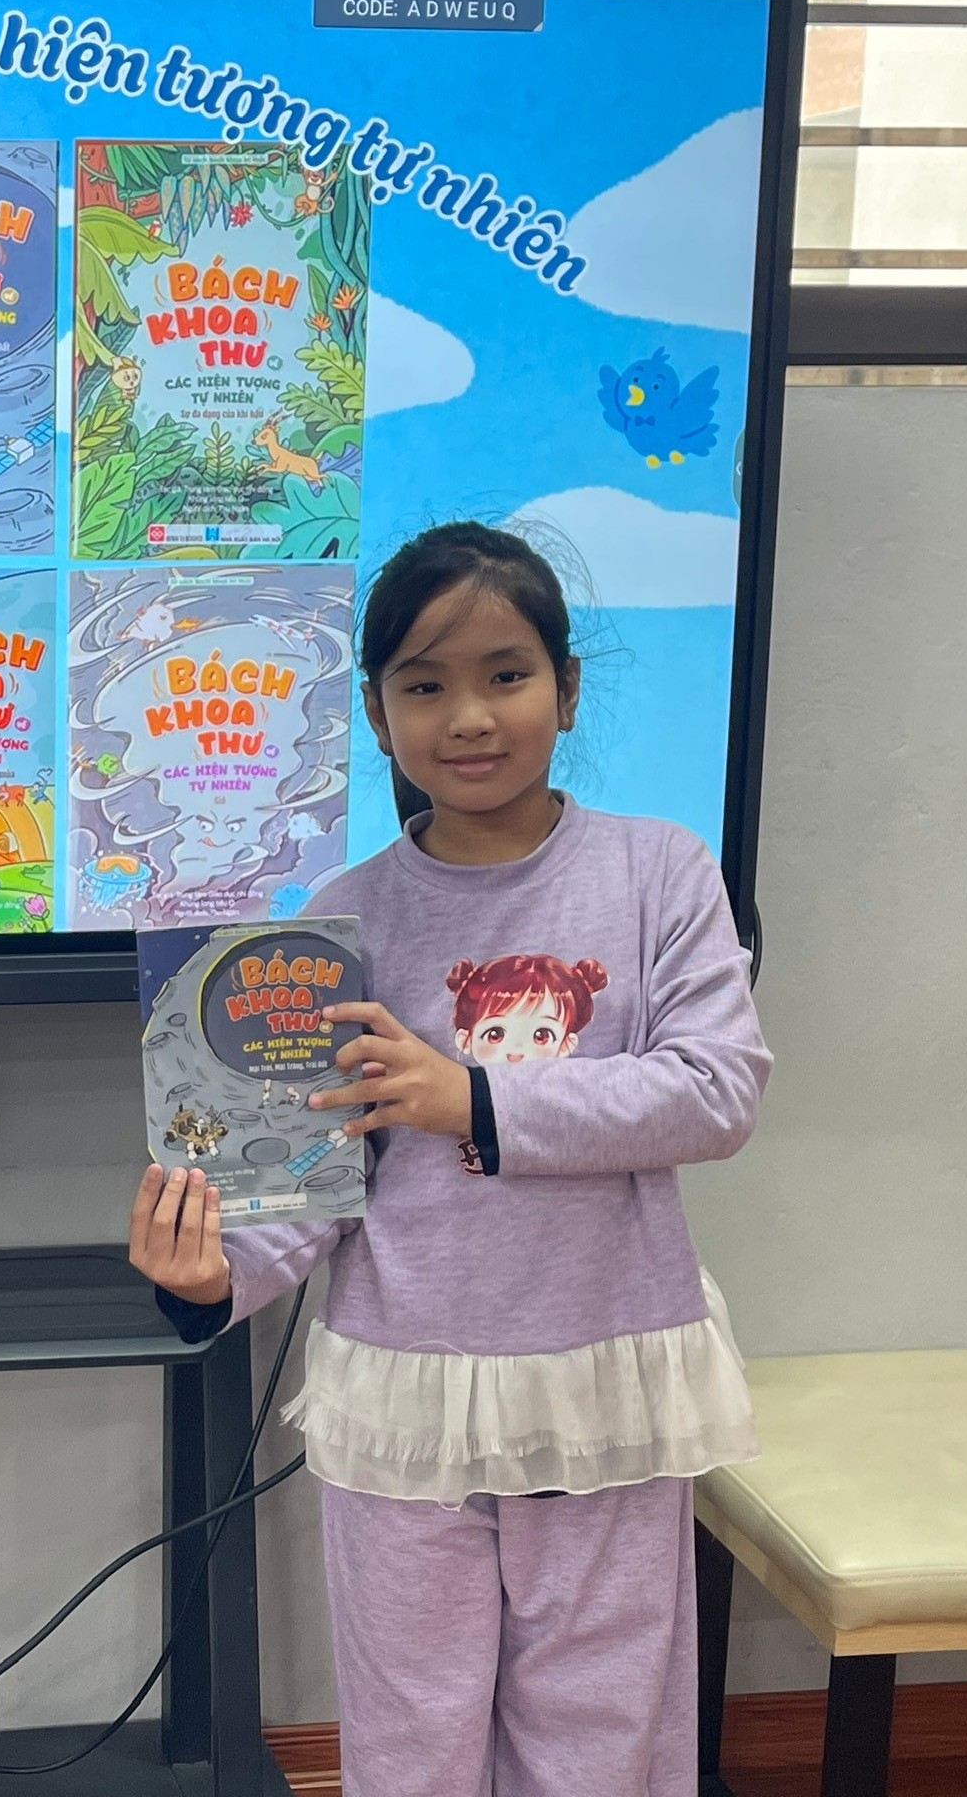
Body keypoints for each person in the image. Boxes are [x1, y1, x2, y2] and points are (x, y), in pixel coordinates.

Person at [128, 520, 764, 1797]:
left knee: (603, 1730)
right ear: (374, 713)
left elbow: (714, 1090)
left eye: (505, 673)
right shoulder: (331, 921)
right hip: (403, 1387)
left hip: (604, 1380)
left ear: (567, 688)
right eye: (423, 684)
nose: (467, 717)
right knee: (409, 1733)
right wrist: (205, 1277)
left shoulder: (658, 870)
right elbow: (304, 1181)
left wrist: (469, 1098)